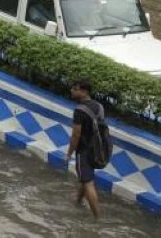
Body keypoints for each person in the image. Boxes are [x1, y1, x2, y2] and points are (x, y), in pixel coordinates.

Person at [64, 80, 104, 219]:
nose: (72, 91)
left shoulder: (79, 111)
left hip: (84, 150)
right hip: (98, 149)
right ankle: (78, 201)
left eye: (75, 89)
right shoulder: (99, 106)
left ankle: (97, 218)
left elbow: (76, 135)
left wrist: (69, 153)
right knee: (85, 176)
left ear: (84, 91)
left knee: (88, 183)